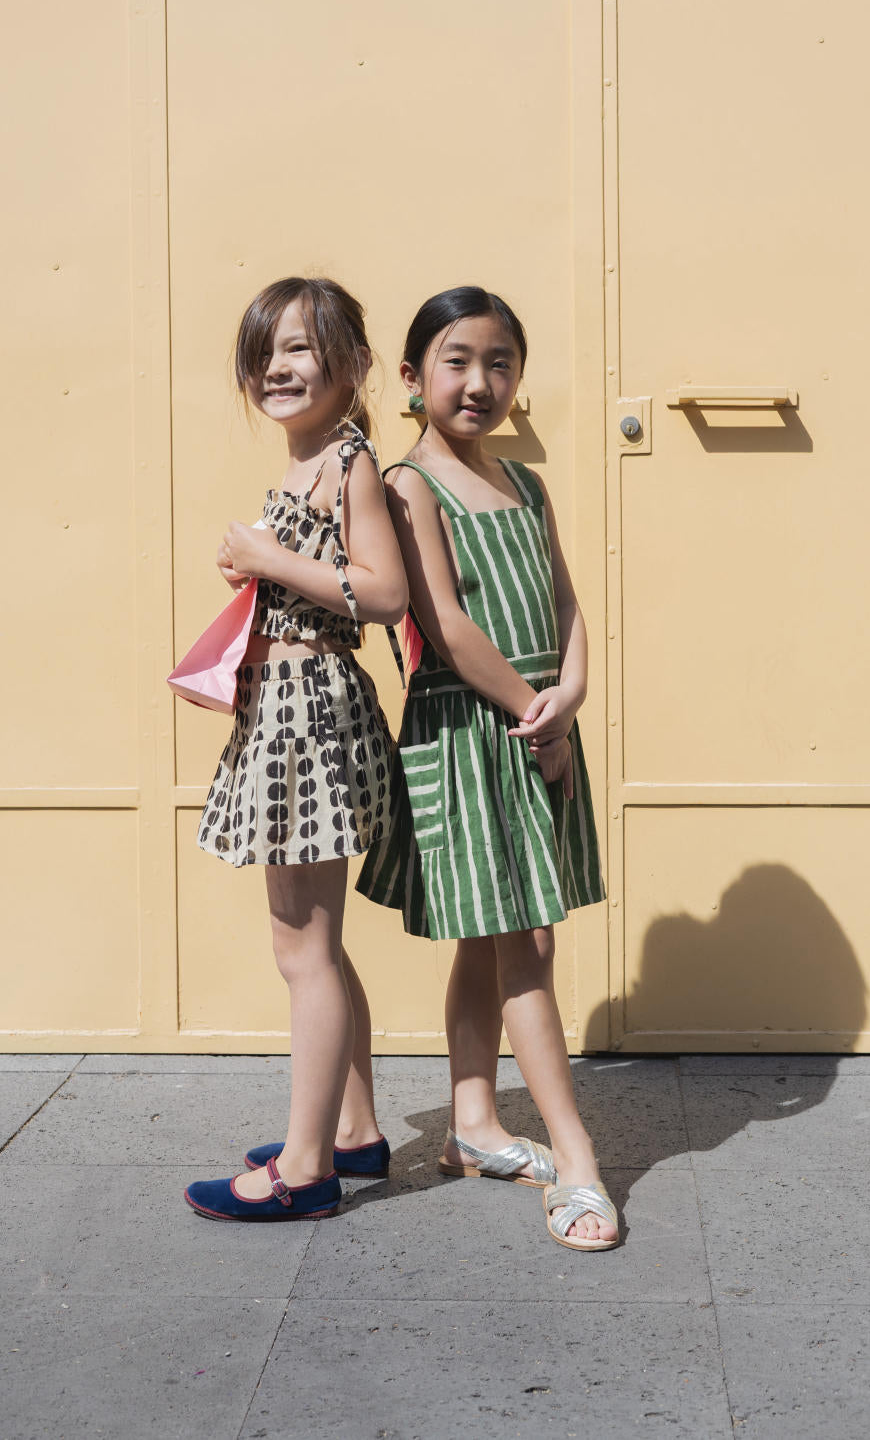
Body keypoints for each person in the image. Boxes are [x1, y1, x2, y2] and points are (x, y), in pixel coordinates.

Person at [359, 287, 618, 1250]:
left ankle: (472, 1125)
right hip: (474, 729)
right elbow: (446, 625)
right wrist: (534, 714)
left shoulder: (526, 483)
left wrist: (570, 696)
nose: (480, 382)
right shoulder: (407, 485)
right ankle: (578, 1159)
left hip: (536, 724)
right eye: (458, 360)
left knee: (492, 934)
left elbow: (566, 604)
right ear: (413, 375)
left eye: (500, 363)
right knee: (523, 941)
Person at [184, 276, 408, 1221]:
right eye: (263, 352)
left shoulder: (348, 464)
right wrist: (259, 571)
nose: (276, 368)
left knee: (303, 950)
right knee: (320, 946)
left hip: (307, 714)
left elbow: (385, 592)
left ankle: (305, 1169)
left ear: (353, 365)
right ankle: (352, 1132)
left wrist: (271, 560)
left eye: (299, 348)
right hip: (288, 708)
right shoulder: (310, 462)